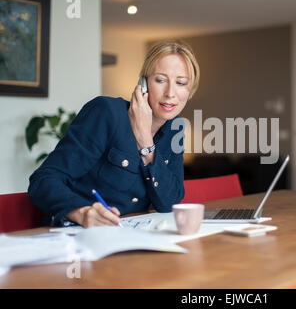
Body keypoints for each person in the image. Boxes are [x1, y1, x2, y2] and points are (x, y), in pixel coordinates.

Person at [28, 40, 200, 228]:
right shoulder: (107, 112)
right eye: (160, 80)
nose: (170, 93)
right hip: (79, 234)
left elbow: (170, 203)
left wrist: (146, 142)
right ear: (143, 84)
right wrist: (81, 212)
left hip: (130, 236)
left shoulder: (175, 128)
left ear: (189, 91)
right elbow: (44, 179)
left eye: (181, 83)